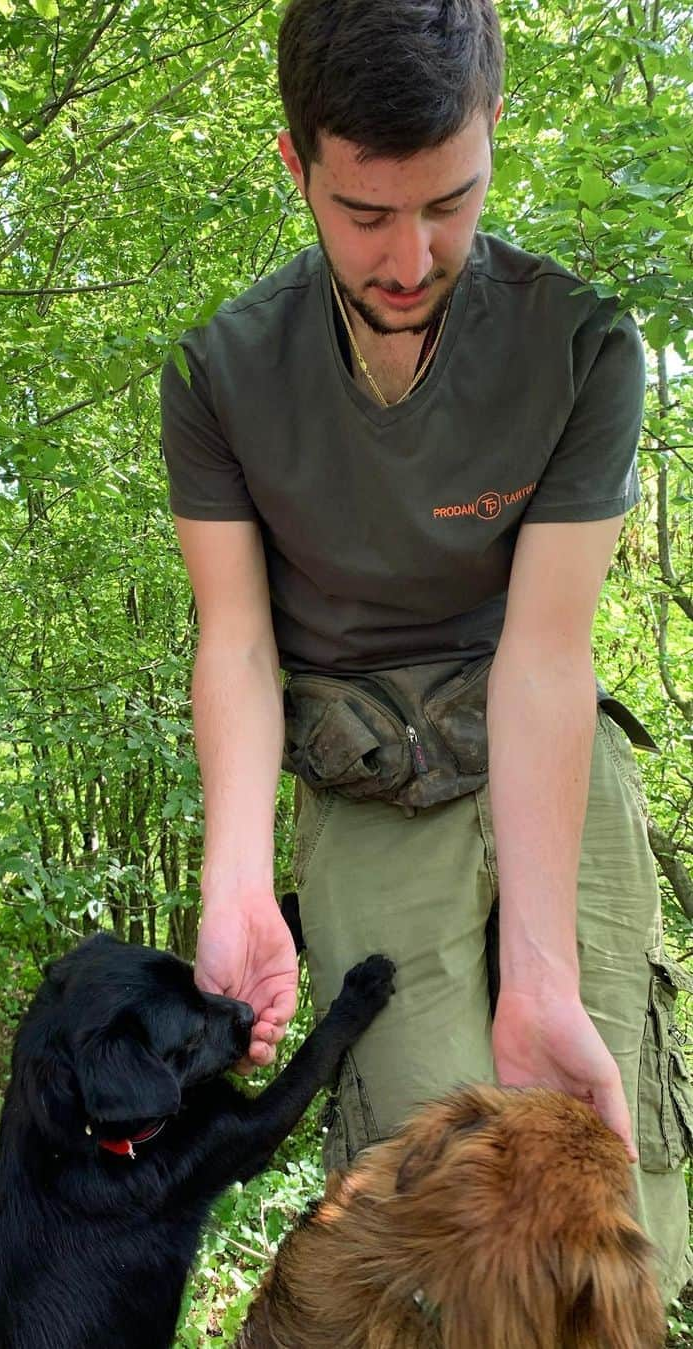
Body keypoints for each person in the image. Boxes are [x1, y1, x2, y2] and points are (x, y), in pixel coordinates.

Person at [161, 0, 692, 1305]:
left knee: (604, 1208)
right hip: (365, 783)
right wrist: (235, 884)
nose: (411, 256)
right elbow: (234, 643)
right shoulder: (223, 374)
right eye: (365, 213)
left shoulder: (581, 347)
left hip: (548, 770)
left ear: (494, 129)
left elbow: (547, 660)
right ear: (297, 165)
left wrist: (545, 973)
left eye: (448, 203)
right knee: (437, 1235)